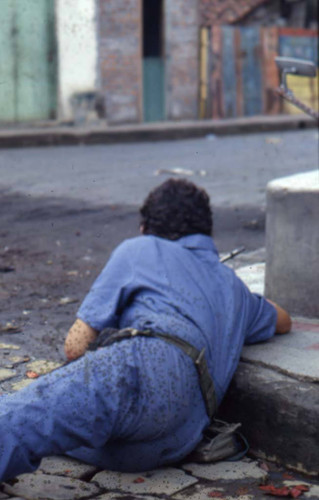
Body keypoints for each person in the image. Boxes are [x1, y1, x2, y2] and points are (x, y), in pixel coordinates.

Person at [0, 179, 291, 481]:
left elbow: (75, 345)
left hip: (143, 370)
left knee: (24, 415)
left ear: (145, 228)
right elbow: (283, 319)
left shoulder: (141, 249)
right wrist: (236, 296)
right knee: (57, 428)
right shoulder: (234, 288)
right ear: (207, 232)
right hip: (171, 441)